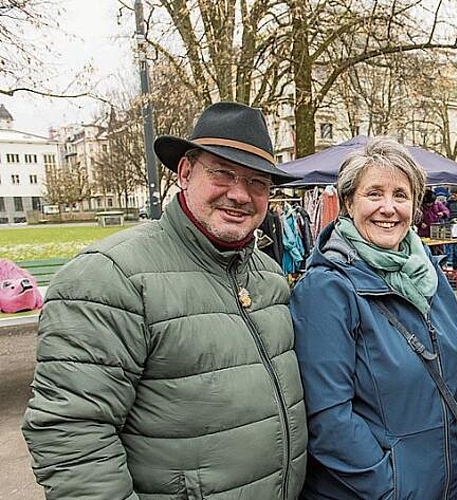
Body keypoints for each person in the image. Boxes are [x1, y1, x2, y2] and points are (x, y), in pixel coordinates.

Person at [21, 102, 308, 500]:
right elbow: (72, 434)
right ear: (185, 173)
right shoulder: (110, 276)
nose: (240, 194)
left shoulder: (269, 276)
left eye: (258, 182)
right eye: (223, 173)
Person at [290, 136, 457, 499]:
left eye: (400, 195)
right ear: (348, 202)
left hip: (448, 486)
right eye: (374, 193)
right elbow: (328, 418)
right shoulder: (326, 289)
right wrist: (390, 487)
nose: (388, 207)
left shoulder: (428, 273)